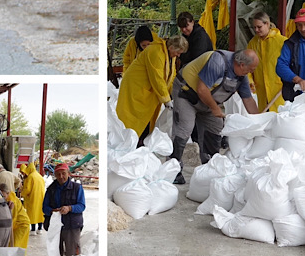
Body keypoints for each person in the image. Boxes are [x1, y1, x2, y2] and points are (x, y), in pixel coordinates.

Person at [170, 50, 260, 183]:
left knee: (215, 128)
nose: (250, 72)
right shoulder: (218, 62)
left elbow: (248, 100)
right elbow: (202, 89)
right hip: (187, 94)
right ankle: (173, 169)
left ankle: (209, 168)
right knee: (185, 128)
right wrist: (214, 108)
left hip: (208, 101)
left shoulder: (241, 77)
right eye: (250, 69)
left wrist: (259, 122)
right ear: (241, 64)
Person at [116, 35, 189, 140]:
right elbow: (157, 78)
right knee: (134, 118)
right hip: (136, 87)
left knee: (146, 118)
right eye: (178, 52)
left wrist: (173, 93)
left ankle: (138, 142)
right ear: (171, 47)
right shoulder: (156, 52)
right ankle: (129, 142)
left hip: (147, 88)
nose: (178, 55)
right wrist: (167, 99)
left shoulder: (169, 54)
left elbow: (171, 75)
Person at [42, 163, 86, 256]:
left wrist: (70, 208)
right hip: (56, 226)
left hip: (72, 226)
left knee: (73, 255)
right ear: (55, 175)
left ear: (68, 174)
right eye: (58, 174)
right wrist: (52, 211)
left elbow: (82, 206)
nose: (61, 176)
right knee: (55, 253)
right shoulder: (51, 189)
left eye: (63, 173)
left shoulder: (77, 188)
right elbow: (44, 207)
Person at [247, 11, 286, 113]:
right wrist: (250, 80)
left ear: (267, 24)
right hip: (261, 91)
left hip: (278, 89)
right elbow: (247, 65)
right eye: (254, 27)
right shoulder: (253, 43)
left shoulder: (282, 42)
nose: (256, 30)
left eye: (259, 27)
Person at [0, 183, 31, 249]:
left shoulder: (12, 202)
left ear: (8, 193)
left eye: (3, 196)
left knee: (15, 247)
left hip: (21, 226)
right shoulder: (7, 199)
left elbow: (12, 219)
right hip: (16, 225)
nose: (2, 198)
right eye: (0, 196)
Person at [20, 162, 46, 235]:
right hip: (41, 197)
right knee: (40, 213)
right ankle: (40, 228)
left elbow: (28, 189)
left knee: (32, 213)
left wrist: (22, 194)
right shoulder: (39, 176)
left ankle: (33, 229)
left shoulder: (30, 177)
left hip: (33, 198)